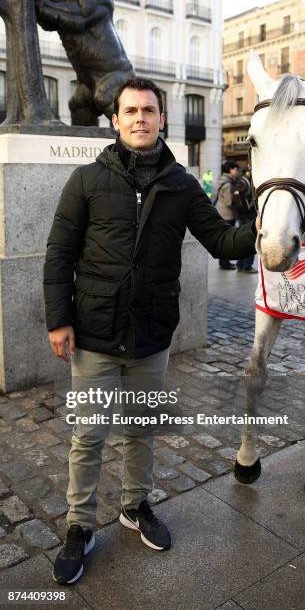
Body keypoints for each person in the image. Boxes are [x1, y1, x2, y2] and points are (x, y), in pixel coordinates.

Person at [43, 77, 257, 585]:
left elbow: (224, 241)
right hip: (94, 333)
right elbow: (60, 254)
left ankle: (135, 506)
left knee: (141, 429)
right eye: (131, 110)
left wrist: (268, 223)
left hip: (151, 335)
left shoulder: (181, 184)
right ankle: (79, 527)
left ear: (162, 119)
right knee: (88, 435)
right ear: (115, 120)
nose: (140, 117)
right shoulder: (86, 180)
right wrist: (59, 319)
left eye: (150, 110)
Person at [215, 160, 239, 270]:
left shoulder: (221, 180)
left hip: (221, 212)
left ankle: (224, 262)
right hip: (227, 215)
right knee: (227, 240)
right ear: (230, 170)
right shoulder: (228, 184)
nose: (237, 171)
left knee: (223, 239)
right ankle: (225, 264)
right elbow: (229, 202)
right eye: (235, 169)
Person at [235, 170, 258, 274]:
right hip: (247, 216)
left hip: (244, 215)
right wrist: (249, 206)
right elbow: (239, 195)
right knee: (250, 240)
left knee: (243, 240)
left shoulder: (242, 181)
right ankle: (247, 266)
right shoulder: (245, 182)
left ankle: (240, 265)